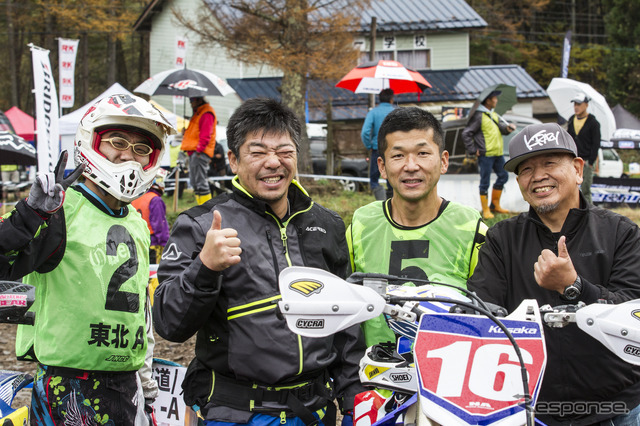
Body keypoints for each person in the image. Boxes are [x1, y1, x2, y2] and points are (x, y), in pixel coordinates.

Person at [153, 97, 365, 426]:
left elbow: (347, 321)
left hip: (315, 409)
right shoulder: (201, 224)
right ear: (234, 160)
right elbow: (169, 324)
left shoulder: (327, 224)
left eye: (284, 151)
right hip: (235, 412)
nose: (273, 162)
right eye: (258, 152)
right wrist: (204, 268)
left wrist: (353, 400)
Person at [0, 94, 175, 424]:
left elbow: (140, 311)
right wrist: (29, 217)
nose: (128, 156)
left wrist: (147, 381)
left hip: (128, 383)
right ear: (92, 143)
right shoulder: (58, 210)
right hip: (68, 385)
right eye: (118, 142)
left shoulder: (135, 222)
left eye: (142, 149)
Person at [467, 122, 640, 425]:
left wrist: (574, 287)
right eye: (526, 169)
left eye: (549, 162)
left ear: (577, 168)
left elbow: (634, 314)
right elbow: (481, 312)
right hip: (528, 408)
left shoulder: (621, 233)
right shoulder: (502, 239)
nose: (538, 176)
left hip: (617, 408)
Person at [348, 107, 487, 347]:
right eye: (398, 155)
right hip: (372, 380)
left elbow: (488, 314)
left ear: (443, 161)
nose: (411, 166)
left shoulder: (470, 227)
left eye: (423, 153)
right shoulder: (361, 224)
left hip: (446, 378)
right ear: (381, 166)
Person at [462, 89, 516, 219]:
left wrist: (508, 129)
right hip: (485, 154)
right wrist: (473, 150)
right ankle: (485, 210)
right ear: (488, 100)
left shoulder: (493, 114)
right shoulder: (479, 116)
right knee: (484, 182)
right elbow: (466, 133)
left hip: (498, 153)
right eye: (495, 99)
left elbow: (501, 128)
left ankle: (494, 205)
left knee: (503, 176)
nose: (496, 101)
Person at [567, 92, 601, 205]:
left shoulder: (593, 123)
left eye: (579, 104)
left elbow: (596, 144)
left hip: (586, 161)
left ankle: (589, 214)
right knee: (570, 187)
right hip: (573, 158)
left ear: (586, 105)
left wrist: (591, 162)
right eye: (575, 104)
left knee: (585, 189)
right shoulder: (571, 120)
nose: (576, 107)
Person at [181, 96, 216, 205]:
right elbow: (196, 134)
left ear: (199, 100)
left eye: (192, 100)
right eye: (190, 100)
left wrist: (198, 151)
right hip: (196, 153)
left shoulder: (206, 113)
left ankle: (207, 210)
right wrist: (185, 132)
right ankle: (201, 208)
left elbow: (205, 135)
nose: (190, 102)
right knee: (195, 183)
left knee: (200, 183)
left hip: (199, 153)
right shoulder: (199, 113)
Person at [361, 88, 395, 200]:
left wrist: (369, 145)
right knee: (392, 179)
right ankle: (392, 205)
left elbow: (365, 132)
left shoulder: (373, 112)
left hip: (377, 149)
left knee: (374, 180)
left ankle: (381, 204)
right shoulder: (396, 112)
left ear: (379, 99)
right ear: (391, 99)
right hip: (394, 150)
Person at [131, 173, 170, 264]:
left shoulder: (136, 198)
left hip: (138, 242)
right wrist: (165, 242)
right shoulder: (155, 200)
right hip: (153, 243)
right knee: (155, 274)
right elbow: (159, 224)